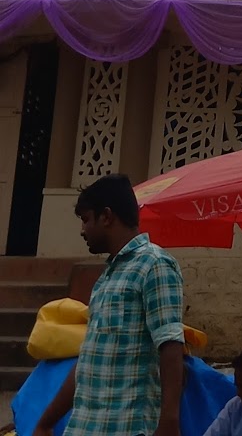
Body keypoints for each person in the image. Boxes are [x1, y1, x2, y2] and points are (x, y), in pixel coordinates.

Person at [32, 173, 185, 436]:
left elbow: (170, 344)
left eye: (85, 219)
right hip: (85, 427)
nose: (82, 230)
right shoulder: (107, 277)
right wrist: (46, 421)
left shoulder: (155, 265)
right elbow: (89, 359)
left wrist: (169, 421)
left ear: (106, 216)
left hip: (127, 426)